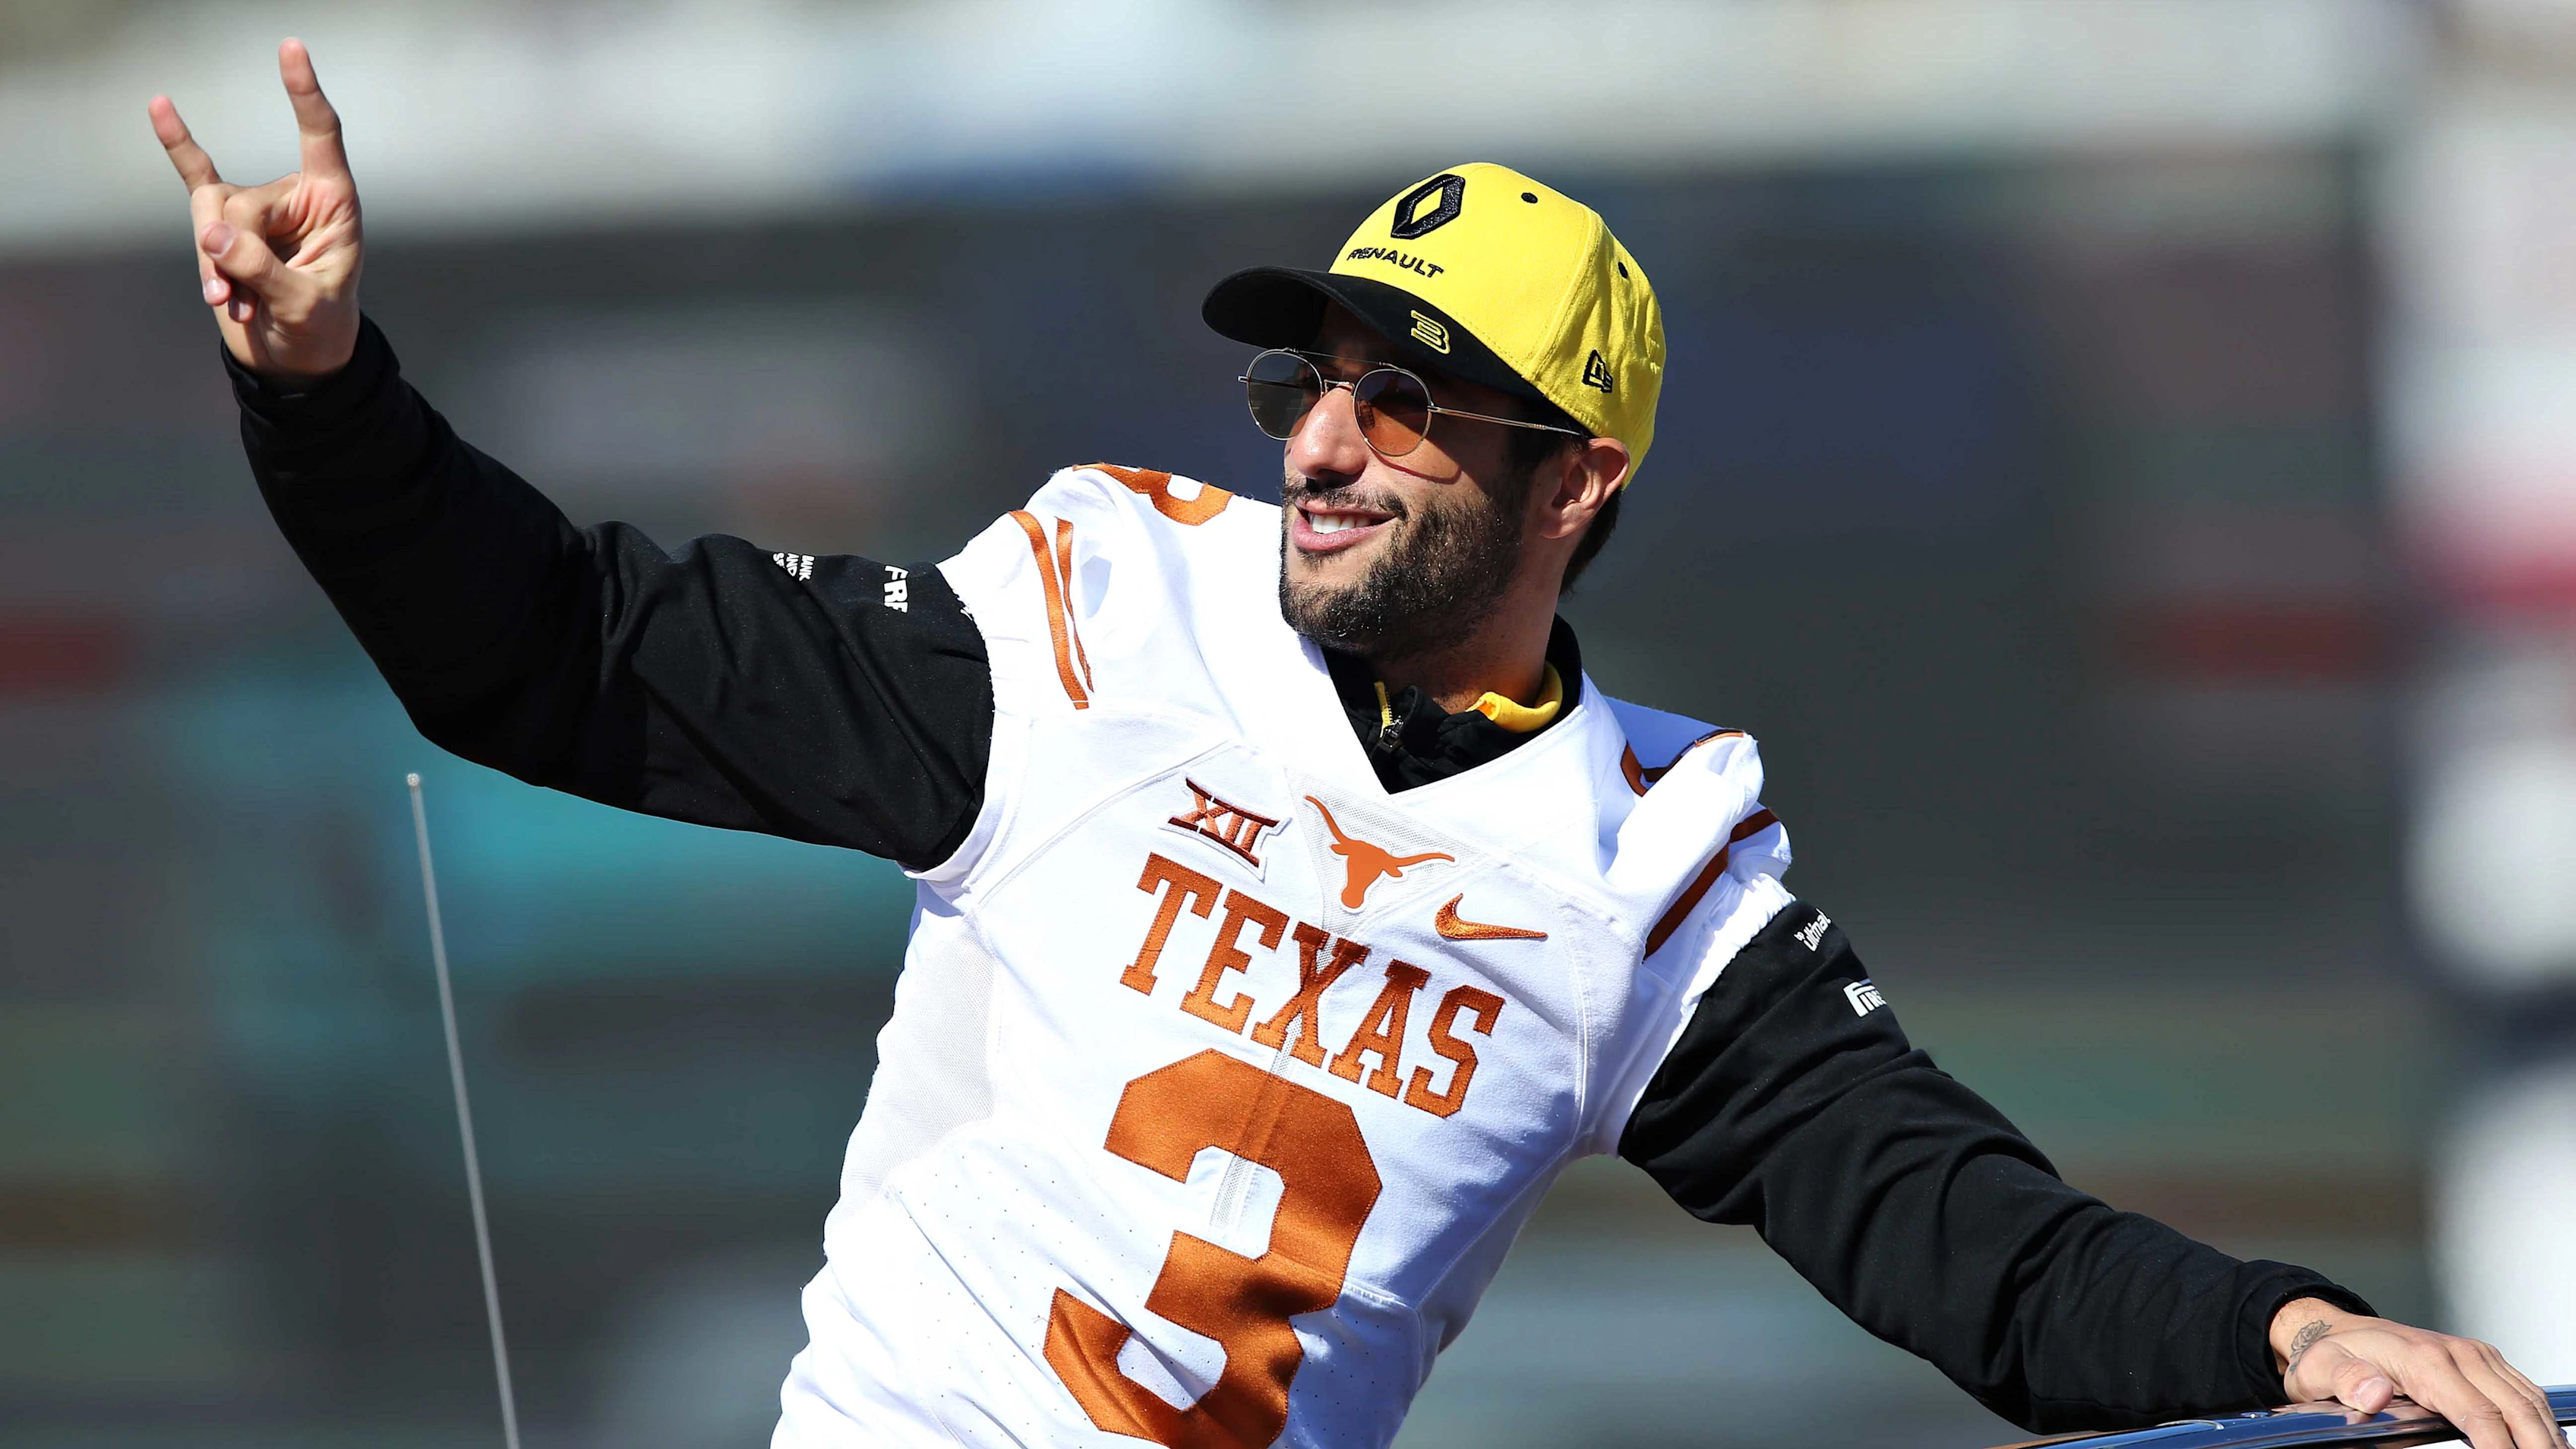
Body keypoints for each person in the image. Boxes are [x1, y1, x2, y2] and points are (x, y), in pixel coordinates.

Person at [150, 40, 2566, 1449]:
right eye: (1315, 375)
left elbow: (1969, 1245)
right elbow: (544, 650)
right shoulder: (1093, 608)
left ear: (1573, 481)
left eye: (1408, 403)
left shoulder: (1650, 858)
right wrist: (324, 393)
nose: (1323, 435)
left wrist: (2286, 1326)